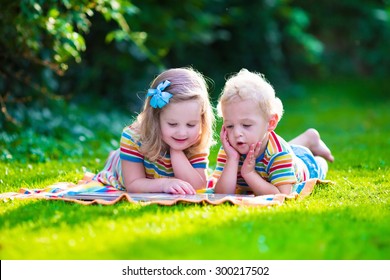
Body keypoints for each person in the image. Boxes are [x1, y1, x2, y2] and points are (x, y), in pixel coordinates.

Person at [92, 67, 215, 194]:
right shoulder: (134, 137)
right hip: (121, 168)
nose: (182, 133)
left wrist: (176, 151)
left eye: (190, 125)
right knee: (117, 160)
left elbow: (198, 185)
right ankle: (114, 156)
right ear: (155, 119)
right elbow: (133, 184)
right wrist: (165, 183)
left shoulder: (195, 140)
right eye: (172, 124)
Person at [213, 69, 334, 196]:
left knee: (318, 164)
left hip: (305, 164)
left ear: (270, 123)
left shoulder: (279, 154)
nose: (236, 133)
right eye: (229, 126)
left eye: (246, 125)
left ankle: (315, 149)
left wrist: (249, 174)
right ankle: (309, 138)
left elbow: (282, 195)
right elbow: (221, 194)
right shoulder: (230, 150)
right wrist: (232, 160)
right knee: (291, 150)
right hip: (287, 154)